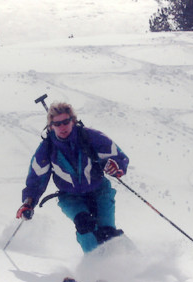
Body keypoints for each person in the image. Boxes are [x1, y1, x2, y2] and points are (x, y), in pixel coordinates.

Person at [16, 102, 129, 253]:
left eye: (65, 122)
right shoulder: (47, 148)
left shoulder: (90, 137)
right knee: (85, 225)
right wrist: (28, 203)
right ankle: (94, 268)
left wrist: (116, 167)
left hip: (99, 191)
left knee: (107, 233)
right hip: (71, 197)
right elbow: (36, 179)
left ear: (73, 121)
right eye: (57, 124)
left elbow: (118, 157)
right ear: (51, 126)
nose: (62, 127)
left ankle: (131, 261)